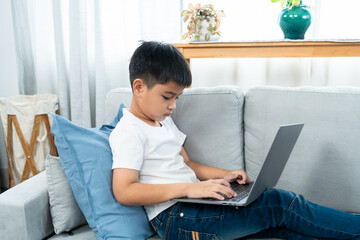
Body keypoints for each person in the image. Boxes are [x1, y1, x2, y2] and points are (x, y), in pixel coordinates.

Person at [110, 41, 360, 240]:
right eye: (167, 97)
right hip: (175, 219)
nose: (173, 106)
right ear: (139, 87)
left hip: (193, 205)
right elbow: (125, 191)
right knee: (280, 203)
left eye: (176, 98)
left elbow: (187, 164)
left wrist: (225, 174)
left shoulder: (162, 120)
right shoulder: (128, 131)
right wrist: (190, 188)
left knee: (287, 225)